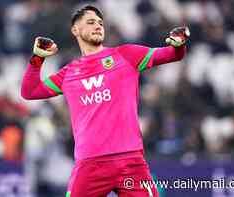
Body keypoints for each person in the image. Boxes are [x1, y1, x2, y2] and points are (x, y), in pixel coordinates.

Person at [21, 5, 189, 197]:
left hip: (130, 161)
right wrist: (38, 58)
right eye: (91, 22)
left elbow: (172, 55)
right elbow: (30, 91)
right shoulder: (68, 73)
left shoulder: (126, 55)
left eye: (100, 23)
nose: (98, 26)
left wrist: (179, 45)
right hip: (90, 165)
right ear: (75, 30)